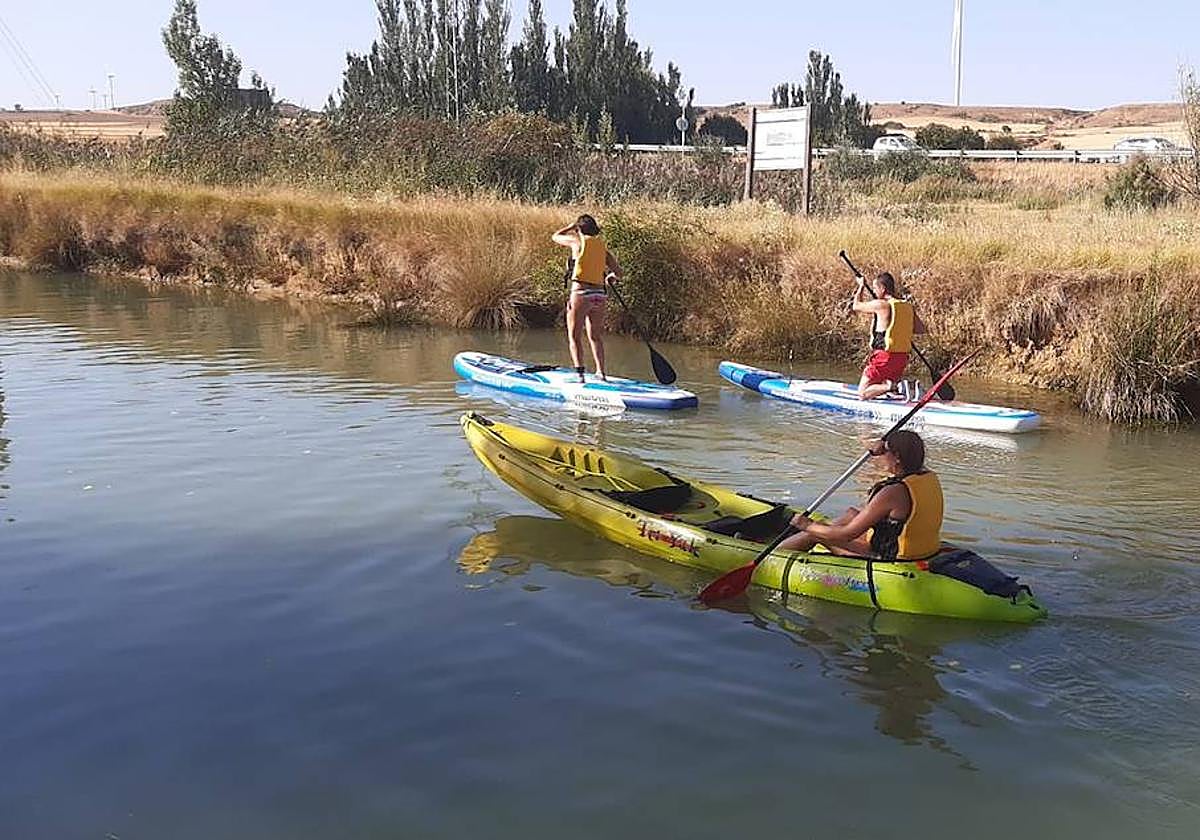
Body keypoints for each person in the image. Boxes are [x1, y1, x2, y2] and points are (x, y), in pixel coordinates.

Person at [778, 430, 943, 564]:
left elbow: (846, 535)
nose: (882, 457)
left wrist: (807, 525)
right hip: (922, 549)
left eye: (885, 452)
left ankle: (774, 558)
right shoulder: (927, 476)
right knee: (851, 513)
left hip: (890, 558)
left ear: (897, 457)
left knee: (815, 532)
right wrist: (883, 446)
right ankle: (799, 540)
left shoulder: (893, 492)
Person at [552, 214, 623, 383]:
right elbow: (619, 273)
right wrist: (611, 277)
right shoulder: (602, 248)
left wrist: (570, 227)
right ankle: (601, 373)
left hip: (581, 294)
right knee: (595, 336)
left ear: (579, 229)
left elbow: (555, 236)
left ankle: (580, 376)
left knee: (574, 336)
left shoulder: (576, 242)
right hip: (599, 295)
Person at [852, 271, 927, 400]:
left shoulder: (881, 304)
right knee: (880, 384)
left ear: (883, 288)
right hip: (902, 358)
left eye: (875, 288)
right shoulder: (907, 306)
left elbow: (856, 306)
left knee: (862, 394)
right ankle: (900, 386)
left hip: (884, 357)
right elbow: (920, 329)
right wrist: (901, 327)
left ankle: (895, 386)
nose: (875, 292)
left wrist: (861, 286)